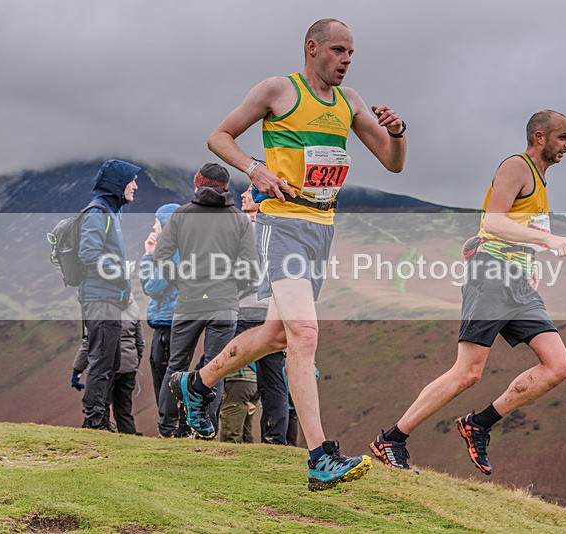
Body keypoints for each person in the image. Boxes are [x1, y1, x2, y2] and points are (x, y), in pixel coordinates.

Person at [170, 18, 407, 491]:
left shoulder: (350, 102)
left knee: (277, 334)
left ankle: (196, 385)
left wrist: (398, 133)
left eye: (351, 54)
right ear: (312, 47)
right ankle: (320, 456)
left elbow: (392, 162)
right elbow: (218, 136)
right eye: (338, 51)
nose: (346, 61)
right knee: (303, 334)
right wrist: (254, 169)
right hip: (282, 224)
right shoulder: (279, 91)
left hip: (322, 227)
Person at [369, 110, 566, 475]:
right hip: (491, 276)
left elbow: (517, 226)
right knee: (467, 372)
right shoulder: (517, 167)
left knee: (558, 366)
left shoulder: (541, 180)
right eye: (563, 137)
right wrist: (549, 240)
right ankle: (392, 438)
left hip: (517, 282)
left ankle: (479, 423)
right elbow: (493, 221)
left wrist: (531, 265)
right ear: (540, 137)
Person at [153, 163, 258, 439]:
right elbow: (251, 267)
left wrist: (180, 282)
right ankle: (204, 430)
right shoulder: (239, 219)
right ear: (225, 188)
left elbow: (161, 257)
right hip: (224, 303)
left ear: (198, 184)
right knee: (216, 366)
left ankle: (167, 428)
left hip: (189, 300)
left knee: (176, 364)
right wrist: (233, 289)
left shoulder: (181, 215)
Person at [78, 159, 140, 430]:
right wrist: (121, 272)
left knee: (109, 360)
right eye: (131, 180)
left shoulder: (109, 213)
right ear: (117, 183)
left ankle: (100, 419)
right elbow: (89, 253)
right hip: (100, 298)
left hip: (109, 298)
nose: (135, 186)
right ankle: (94, 422)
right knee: (102, 361)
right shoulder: (98, 212)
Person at [237, 184, 290, 445]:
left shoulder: (248, 229)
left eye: (250, 191)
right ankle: (275, 440)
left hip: (247, 307)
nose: (244, 195)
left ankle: (201, 429)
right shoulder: (283, 228)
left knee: (217, 362)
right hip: (273, 310)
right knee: (273, 377)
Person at [72, 293, 145, 434]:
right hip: (129, 366)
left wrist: (77, 369)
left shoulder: (100, 307)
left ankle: (101, 435)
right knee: (124, 410)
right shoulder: (133, 306)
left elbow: (88, 342)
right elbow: (140, 342)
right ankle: (130, 441)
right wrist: (134, 363)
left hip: (106, 364)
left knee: (101, 405)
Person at [139, 203, 180, 435]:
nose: (153, 227)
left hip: (168, 322)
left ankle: (169, 427)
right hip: (171, 321)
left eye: (157, 222)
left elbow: (153, 286)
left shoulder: (171, 251)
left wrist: (147, 257)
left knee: (164, 377)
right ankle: (173, 426)